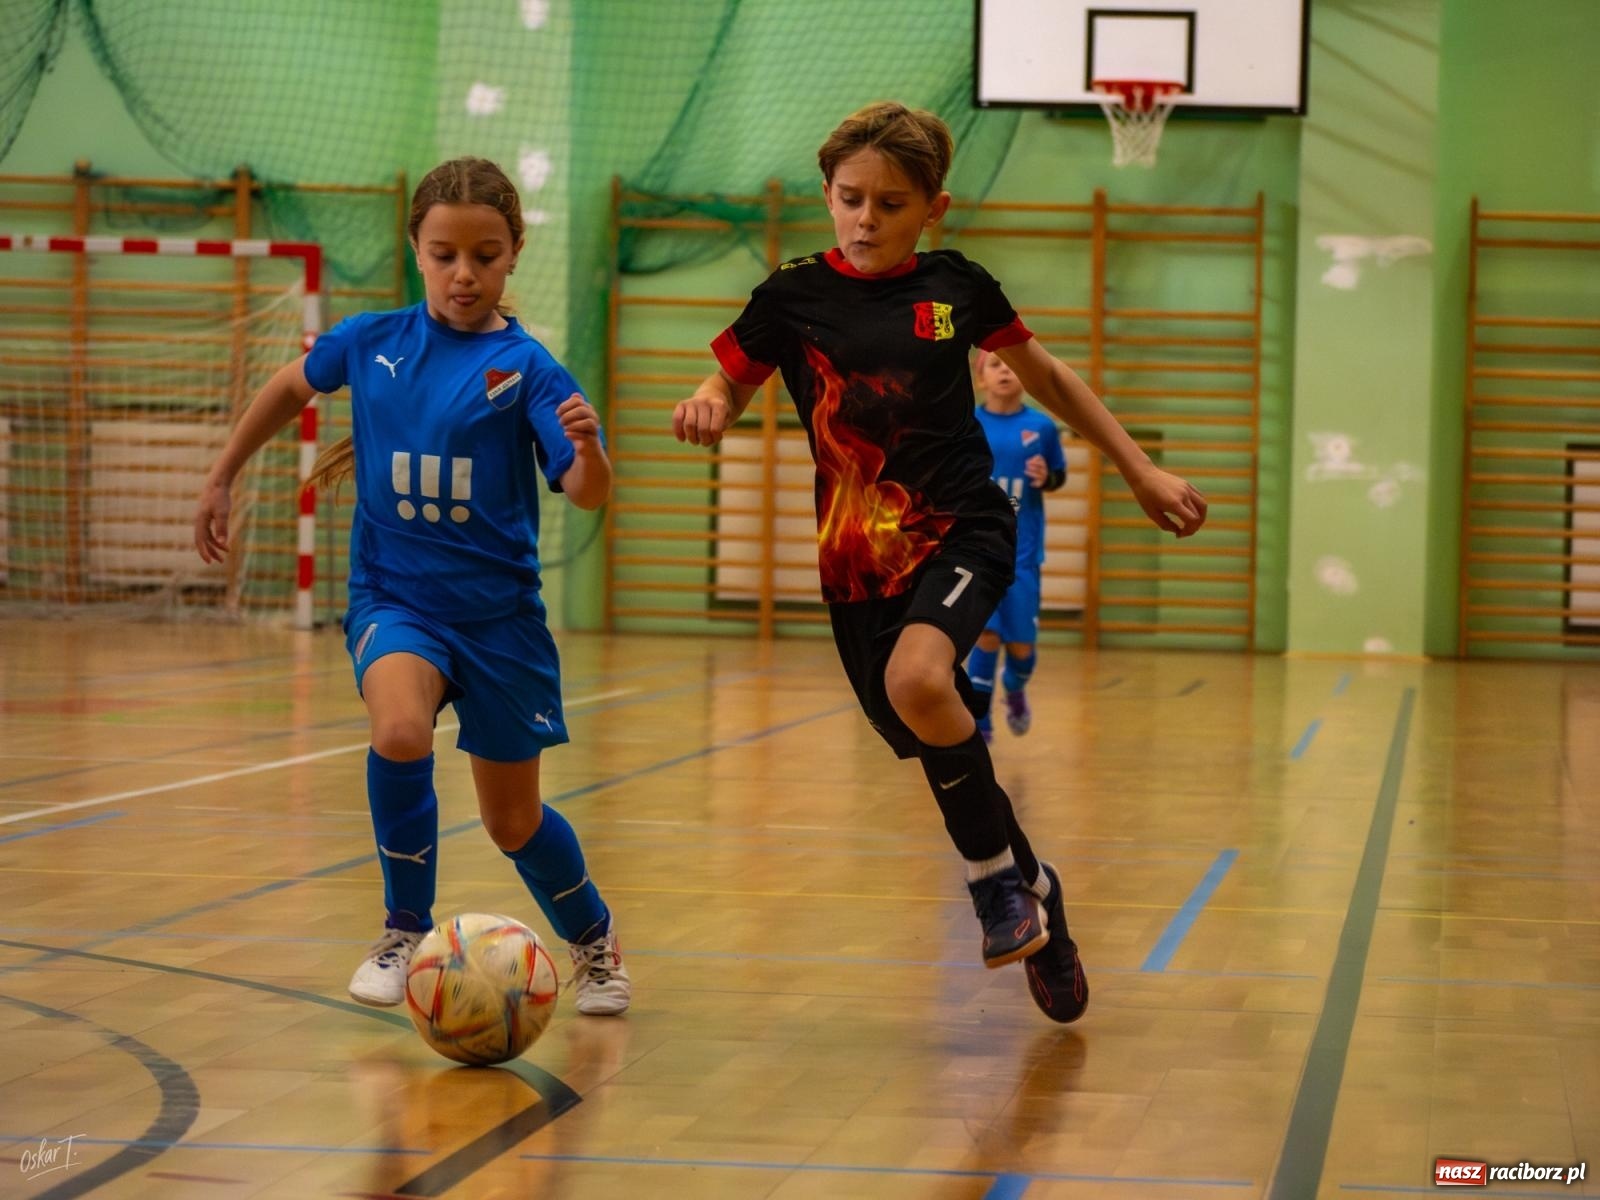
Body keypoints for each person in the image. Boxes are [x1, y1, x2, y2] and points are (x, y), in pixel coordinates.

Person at [672, 102, 1207, 1024]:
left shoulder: (957, 287)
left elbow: (1048, 377)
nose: (866, 218)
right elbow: (728, 374)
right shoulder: (793, 294)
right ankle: (1038, 889)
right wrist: (709, 400)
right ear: (828, 197)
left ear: (934, 208)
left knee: (920, 679)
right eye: (850, 199)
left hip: (963, 528)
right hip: (856, 564)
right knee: (924, 723)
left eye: (890, 202)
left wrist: (1138, 467)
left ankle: (995, 886)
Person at [194, 157, 630, 1016]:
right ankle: (402, 929)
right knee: (398, 729)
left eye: (485, 255)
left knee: (513, 825)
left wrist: (591, 453)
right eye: (444, 254)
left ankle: (594, 943)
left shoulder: (530, 370)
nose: (463, 273)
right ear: (417, 252)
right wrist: (222, 475)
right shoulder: (372, 341)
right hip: (399, 601)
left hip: (500, 622)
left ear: (512, 257)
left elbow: (584, 493)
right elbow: (290, 386)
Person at [966, 350, 1067, 744]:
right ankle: (980, 721)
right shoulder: (969, 424)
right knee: (986, 636)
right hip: (978, 551)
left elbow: (1058, 475)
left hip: (1023, 556)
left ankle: (1016, 687)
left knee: (1021, 648)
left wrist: (1048, 478)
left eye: (1011, 364)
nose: (1005, 370)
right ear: (981, 379)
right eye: (995, 364)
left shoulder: (1041, 428)